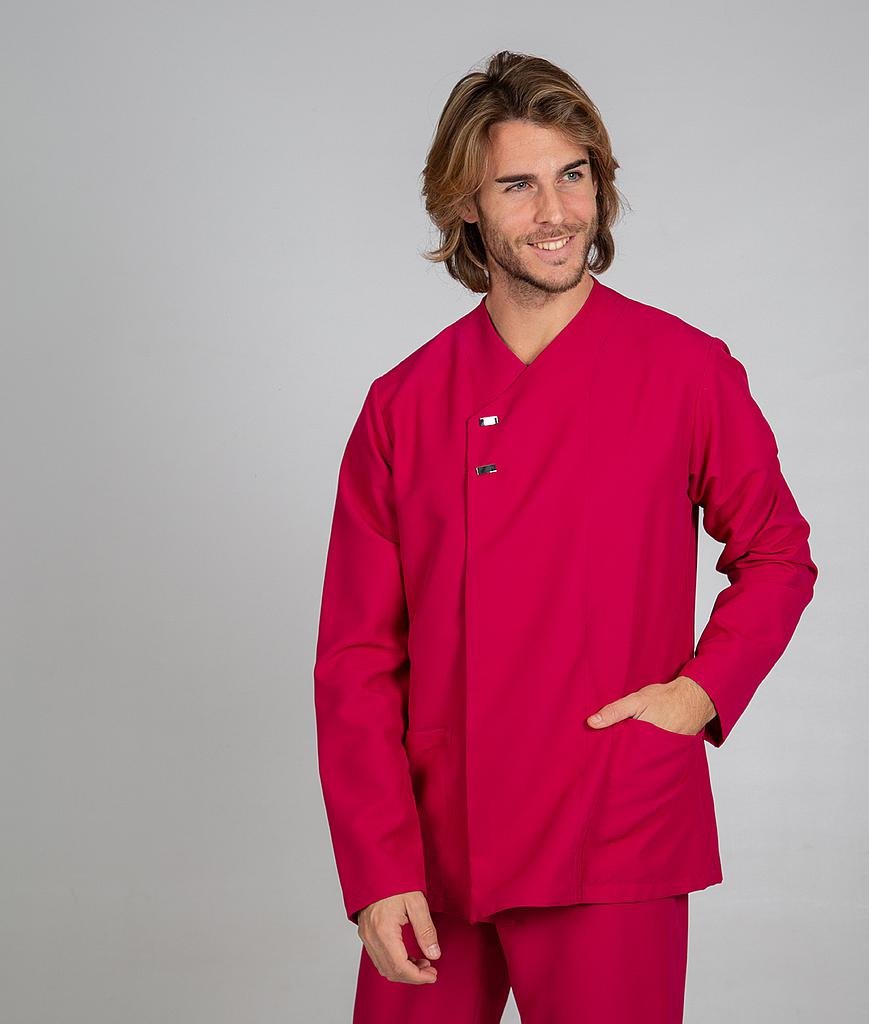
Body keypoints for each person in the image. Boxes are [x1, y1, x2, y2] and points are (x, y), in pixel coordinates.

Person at [313, 49, 818, 1023]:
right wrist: (377, 865)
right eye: (518, 185)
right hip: (437, 838)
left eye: (573, 175)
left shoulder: (684, 370)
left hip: (611, 821)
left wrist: (698, 693)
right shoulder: (403, 405)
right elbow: (356, 656)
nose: (556, 211)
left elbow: (776, 554)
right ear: (465, 204)